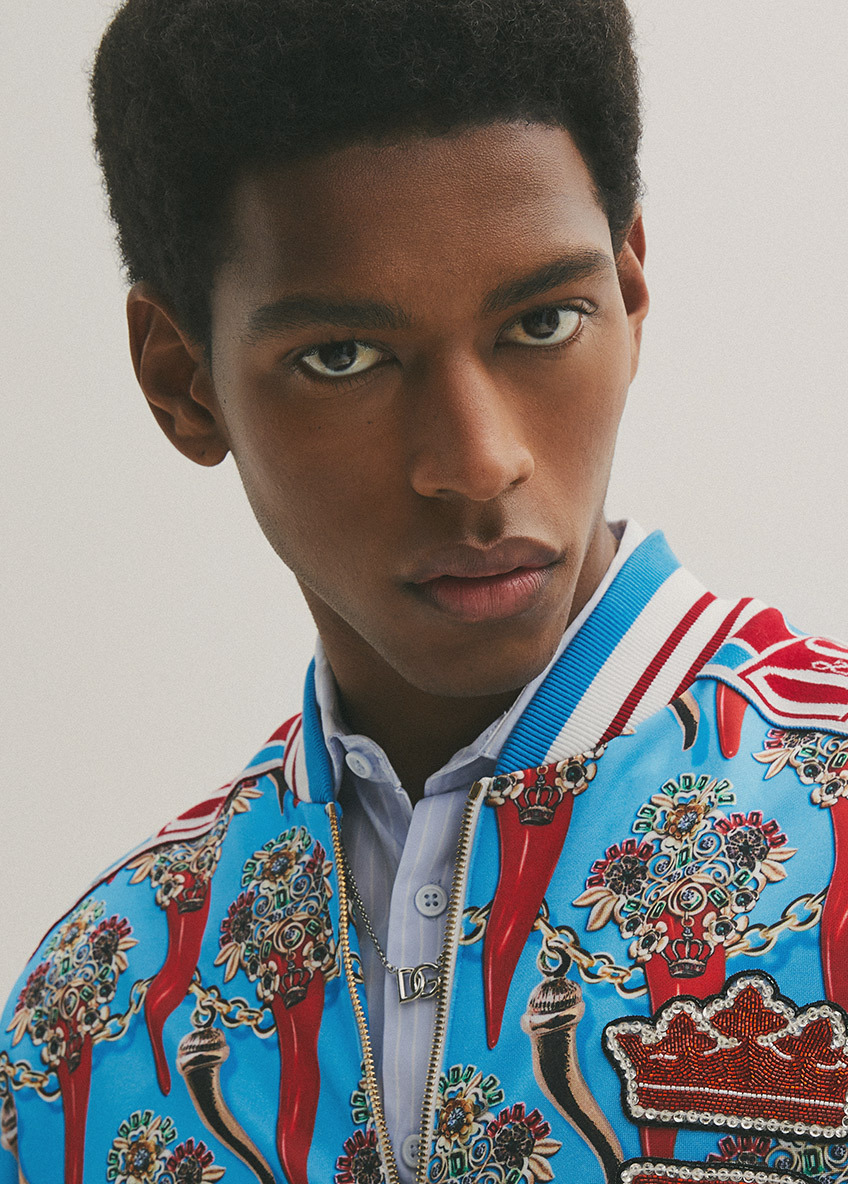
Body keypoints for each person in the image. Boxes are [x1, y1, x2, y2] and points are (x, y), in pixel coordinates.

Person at [1, 1, 847, 1182]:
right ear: (182, 380)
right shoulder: (85, 1023)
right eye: (342, 356)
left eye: (541, 321)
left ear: (628, 291)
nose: (477, 460)